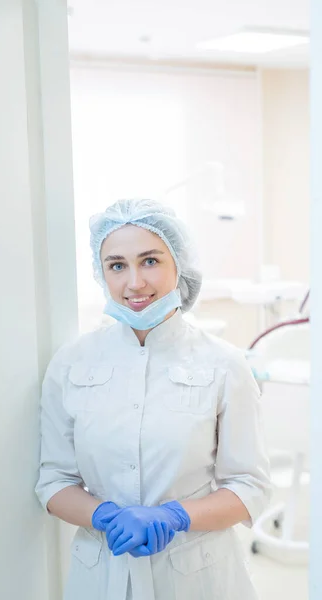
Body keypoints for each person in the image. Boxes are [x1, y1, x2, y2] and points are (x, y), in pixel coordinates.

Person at [35, 198, 271, 600]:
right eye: (117, 265)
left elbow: (250, 486)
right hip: (100, 575)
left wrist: (176, 516)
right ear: (102, 272)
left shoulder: (224, 364)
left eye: (150, 261)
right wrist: (104, 516)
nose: (134, 283)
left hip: (198, 577)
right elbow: (53, 481)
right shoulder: (72, 363)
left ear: (178, 265)